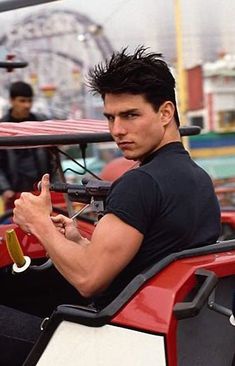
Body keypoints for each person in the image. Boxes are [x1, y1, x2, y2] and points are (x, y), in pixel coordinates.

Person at [1, 46, 221, 365]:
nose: (117, 130)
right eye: (110, 117)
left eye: (130, 115)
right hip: (169, 334)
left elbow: (90, 280)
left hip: (109, 339)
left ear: (165, 112)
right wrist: (80, 241)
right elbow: (150, 257)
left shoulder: (140, 183)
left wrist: (39, 224)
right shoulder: (198, 179)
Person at [0, 81, 56, 210]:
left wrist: (56, 186)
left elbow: (54, 159)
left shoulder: (41, 124)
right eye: (22, 101)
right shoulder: (3, 128)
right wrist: (5, 189)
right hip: (15, 193)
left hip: (42, 190)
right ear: (12, 101)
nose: (27, 105)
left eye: (29, 101)